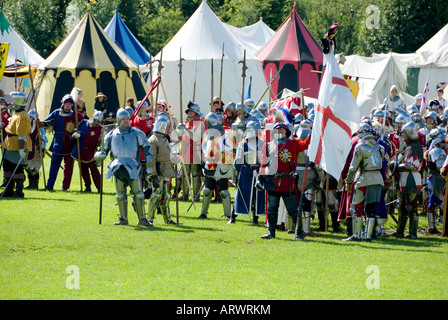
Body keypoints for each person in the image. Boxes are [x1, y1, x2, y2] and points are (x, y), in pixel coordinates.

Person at [94, 108, 153, 226]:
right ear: (119, 119)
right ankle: (123, 219)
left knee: (138, 194)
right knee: (120, 195)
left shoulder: (137, 132)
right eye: (123, 119)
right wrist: (99, 156)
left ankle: (142, 219)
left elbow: (147, 148)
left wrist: (149, 165)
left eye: (127, 118)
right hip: (117, 167)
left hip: (134, 167)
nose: (126, 121)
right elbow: (104, 150)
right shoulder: (111, 134)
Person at [255, 122, 311, 240]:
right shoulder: (268, 145)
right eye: (277, 129)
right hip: (272, 181)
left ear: (286, 132)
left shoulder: (293, 143)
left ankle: (299, 233)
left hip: (288, 182)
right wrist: (260, 177)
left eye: (282, 129)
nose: (280, 131)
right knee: (272, 209)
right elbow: (264, 164)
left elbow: (306, 144)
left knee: (293, 210)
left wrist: (311, 133)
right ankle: (271, 232)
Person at [342, 123, 385, 241]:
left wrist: (348, 181)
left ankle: (356, 235)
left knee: (356, 208)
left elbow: (352, 167)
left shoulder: (360, 146)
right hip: (377, 179)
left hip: (364, 178)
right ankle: (368, 236)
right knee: (371, 209)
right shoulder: (380, 147)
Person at [43, 94, 84, 191]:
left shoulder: (76, 115)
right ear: (63, 103)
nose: (68, 105)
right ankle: (49, 186)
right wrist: (38, 123)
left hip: (70, 144)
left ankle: (65, 187)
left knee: (68, 168)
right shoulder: (56, 113)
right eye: (67, 103)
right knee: (54, 166)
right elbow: (45, 123)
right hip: (58, 143)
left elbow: (85, 124)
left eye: (70, 103)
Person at [199, 112, 234, 220]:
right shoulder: (207, 135)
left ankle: (228, 214)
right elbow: (204, 149)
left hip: (222, 164)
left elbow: (229, 151)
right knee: (206, 190)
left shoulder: (225, 135)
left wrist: (225, 165)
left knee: (224, 191)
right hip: (210, 165)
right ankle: (203, 213)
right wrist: (205, 162)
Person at [230, 119, 265, 225]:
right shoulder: (243, 145)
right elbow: (238, 161)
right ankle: (233, 216)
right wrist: (235, 176)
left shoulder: (262, 144)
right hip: (246, 172)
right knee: (240, 195)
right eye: (256, 130)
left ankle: (255, 219)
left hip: (257, 172)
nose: (258, 132)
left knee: (257, 196)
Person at [394, 121, 424, 239]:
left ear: (409, 133)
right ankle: (399, 231)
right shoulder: (407, 147)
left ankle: (412, 233)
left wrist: (396, 166)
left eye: (404, 133)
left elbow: (410, 165)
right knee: (402, 206)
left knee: (412, 206)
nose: (402, 135)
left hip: (412, 178)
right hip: (405, 178)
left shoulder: (415, 147)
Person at [146, 115, 177, 225]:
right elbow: (151, 159)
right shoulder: (153, 140)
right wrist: (153, 174)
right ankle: (149, 218)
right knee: (156, 194)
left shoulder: (164, 139)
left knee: (167, 195)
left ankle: (167, 219)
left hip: (166, 169)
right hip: (158, 170)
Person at [0, 92, 32, 198]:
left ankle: (19, 191)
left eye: (14, 100)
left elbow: (21, 134)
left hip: (18, 145)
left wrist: (21, 149)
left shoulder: (22, 116)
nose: (12, 102)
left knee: (17, 169)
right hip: (10, 144)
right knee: (7, 166)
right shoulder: (16, 114)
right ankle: (9, 189)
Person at [177, 102, 204, 201]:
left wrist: (185, 130)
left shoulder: (200, 123)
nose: (189, 113)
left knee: (195, 174)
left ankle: (196, 195)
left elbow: (196, 137)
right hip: (185, 150)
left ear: (196, 113)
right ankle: (185, 194)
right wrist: (179, 133)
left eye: (192, 111)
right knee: (185, 174)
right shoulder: (186, 122)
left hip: (195, 150)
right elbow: (181, 137)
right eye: (189, 111)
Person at [71, 111, 104, 193]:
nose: (96, 122)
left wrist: (100, 153)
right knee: (83, 169)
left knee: (94, 170)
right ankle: (87, 186)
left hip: (92, 152)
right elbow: (74, 132)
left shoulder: (101, 129)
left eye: (98, 121)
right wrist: (75, 135)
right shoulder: (84, 123)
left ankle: (99, 187)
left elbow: (102, 143)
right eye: (96, 120)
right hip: (81, 150)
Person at [424, 128, 446, 235]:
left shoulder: (433, 149)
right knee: (441, 202)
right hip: (437, 178)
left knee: (433, 202)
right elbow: (440, 167)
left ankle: (432, 226)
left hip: (433, 178)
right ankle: (442, 227)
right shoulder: (437, 151)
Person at [25, 110, 48, 190]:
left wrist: (43, 149)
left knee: (35, 168)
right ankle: (30, 184)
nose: (30, 119)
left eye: (32, 117)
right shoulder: (25, 125)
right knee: (28, 167)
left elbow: (45, 139)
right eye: (30, 117)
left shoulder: (38, 127)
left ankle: (35, 184)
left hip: (36, 150)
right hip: (27, 149)